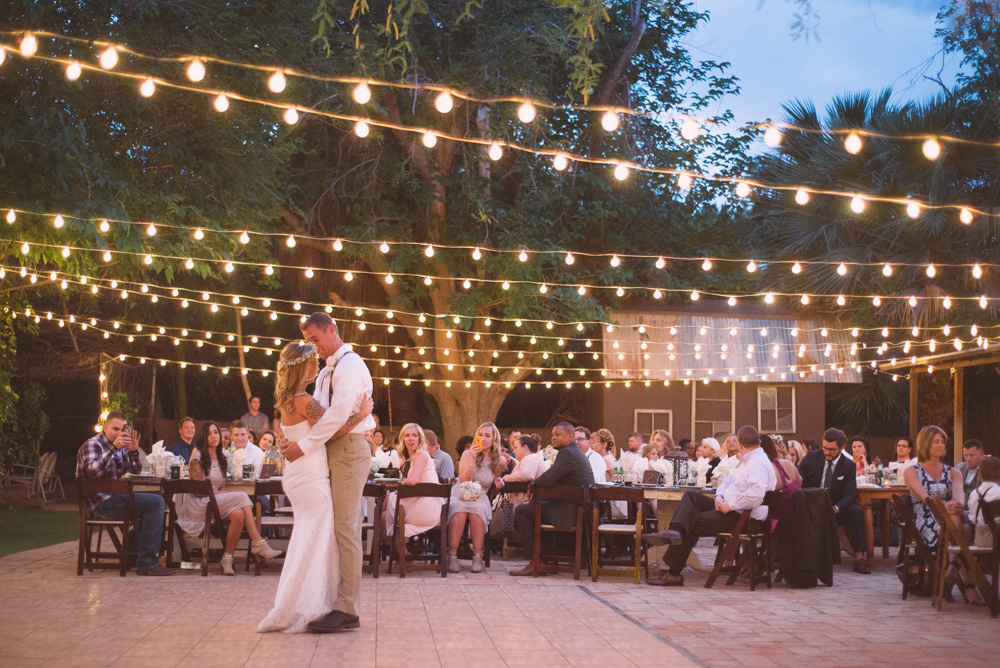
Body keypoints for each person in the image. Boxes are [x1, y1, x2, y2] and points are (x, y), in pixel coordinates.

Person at [259, 342, 373, 633]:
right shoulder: (304, 399)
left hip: (301, 474)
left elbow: (298, 433)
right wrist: (361, 417)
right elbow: (331, 430)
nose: (318, 362)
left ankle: (303, 602)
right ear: (304, 366)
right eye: (313, 360)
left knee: (307, 538)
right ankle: (312, 605)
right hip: (311, 476)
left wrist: (289, 443)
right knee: (317, 539)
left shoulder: (287, 398)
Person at [643, 425, 776, 586]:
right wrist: (719, 496)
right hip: (728, 507)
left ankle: (673, 574)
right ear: (759, 442)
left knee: (691, 521)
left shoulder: (757, 463)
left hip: (743, 518)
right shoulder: (747, 460)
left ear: (740, 444)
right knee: (691, 497)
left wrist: (730, 505)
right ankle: (674, 531)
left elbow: (756, 495)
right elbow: (728, 480)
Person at [76, 412, 176, 576]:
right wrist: (114, 448)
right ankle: (146, 562)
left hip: (114, 498)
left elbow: (135, 470)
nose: (119, 433)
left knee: (155, 499)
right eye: (115, 428)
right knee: (156, 503)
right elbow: (93, 472)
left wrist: (133, 452)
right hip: (99, 505)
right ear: (105, 427)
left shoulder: (120, 447)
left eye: (122, 429)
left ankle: (132, 554)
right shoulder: (92, 445)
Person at [177, 421, 282, 575]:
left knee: (238, 513)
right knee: (242, 496)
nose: (213, 436)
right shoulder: (197, 454)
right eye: (209, 433)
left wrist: (220, 495)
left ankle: (227, 559)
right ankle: (258, 543)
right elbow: (197, 489)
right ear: (203, 437)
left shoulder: (223, 457)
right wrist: (217, 495)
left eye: (216, 432)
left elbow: (221, 488)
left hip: (214, 502)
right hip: (199, 503)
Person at [903, 425, 979, 604]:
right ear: (925, 444)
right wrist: (949, 507)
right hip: (926, 520)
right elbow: (925, 498)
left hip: (949, 523)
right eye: (936, 441)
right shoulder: (912, 471)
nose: (940, 445)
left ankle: (953, 567)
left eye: (942, 442)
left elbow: (959, 496)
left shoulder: (954, 472)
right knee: (965, 530)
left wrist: (957, 505)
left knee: (963, 524)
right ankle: (967, 583)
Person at [510, 422, 595, 576]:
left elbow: (548, 478)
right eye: (552, 435)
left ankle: (536, 562)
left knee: (522, 511)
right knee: (538, 507)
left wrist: (531, 486)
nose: (553, 438)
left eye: (558, 435)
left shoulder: (568, 453)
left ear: (571, 437)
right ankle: (544, 560)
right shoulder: (573, 451)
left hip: (572, 512)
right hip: (577, 508)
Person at [798, 428, 869, 574]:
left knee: (855, 511)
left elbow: (850, 494)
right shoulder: (811, 457)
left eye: (832, 449)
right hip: (811, 504)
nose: (827, 452)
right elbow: (798, 481)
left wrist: (836, 507)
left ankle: (859, 556)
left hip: (835, 507)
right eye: (825, 448)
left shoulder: (848, 465)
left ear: (842, 448)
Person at [447, 421, 509, 573]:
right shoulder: (467, 454)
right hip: (460, 492)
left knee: (476, 509)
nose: (484, 438)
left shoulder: (500, 460)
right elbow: (465, 480)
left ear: (494, 438)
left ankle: (477, 556)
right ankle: (452, 555)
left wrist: (498, 484)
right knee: (459, 509)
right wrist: (473, 457)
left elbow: (493, 487)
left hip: (480, 496)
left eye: (487, 435)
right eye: (480, 435)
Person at [383, 423, 444, 539]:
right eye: (407, 435)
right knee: (385, 510)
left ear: (420, 439)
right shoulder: (414, 457)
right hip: (424, 504)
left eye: (414, 435)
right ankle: (401, 551)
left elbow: (411, 481)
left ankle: (391, 549)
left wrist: (402, 483)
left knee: (384, 510)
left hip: (428, 509)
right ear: (403, 439)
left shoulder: (421, 455)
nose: (411, 438)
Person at [761, 434, 802, 528]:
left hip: (775, 524)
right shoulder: (788, 464)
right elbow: (800, 482)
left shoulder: (765, 469)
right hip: (796, 519)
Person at [503, 435, 550, 506]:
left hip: (533, 505)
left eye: (516, 448)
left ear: (525, 447)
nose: (514, 451)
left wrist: (507, 478)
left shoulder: (531, 458)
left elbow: (525, 474)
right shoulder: (530, 458)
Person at [967, 456, 1000, 548]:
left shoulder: (973, 494)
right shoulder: (998, 492)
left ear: (980, 475)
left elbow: (972, 519)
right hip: (997, 541)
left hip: (980, 540)